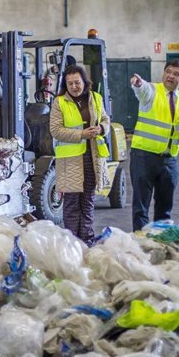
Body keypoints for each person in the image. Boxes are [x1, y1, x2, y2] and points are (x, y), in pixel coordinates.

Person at [50, 65, 111, 244]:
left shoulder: (96, 98)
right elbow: (55, 130)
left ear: (84, 82)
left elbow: (106, 120)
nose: (74, 87)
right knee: (71, 205)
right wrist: (81, 135)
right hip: (70, 161)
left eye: (77, 82)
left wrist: (101, 128)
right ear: (65, 85)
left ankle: (86, 241)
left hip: (92, 158)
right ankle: (72, 242)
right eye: (70, 84)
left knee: (87, 202)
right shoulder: (59, 102)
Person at [129, 59, 179, 231]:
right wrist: (138, 83)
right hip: (144, 157)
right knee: (141, 207)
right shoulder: (152, 91)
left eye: (176, 74)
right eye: (168, 71)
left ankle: (161, 243)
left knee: (165, 209)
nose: (171, 76)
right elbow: (142, 89)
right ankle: (141, 245)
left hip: (169, 160)